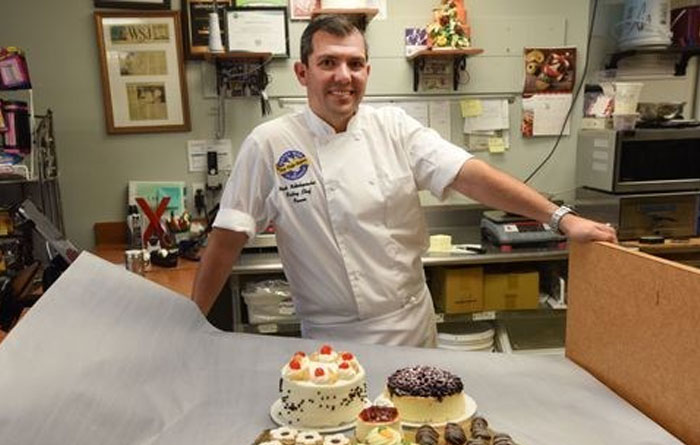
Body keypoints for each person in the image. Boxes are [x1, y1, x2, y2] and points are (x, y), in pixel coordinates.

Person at [192, 15, 617, 348]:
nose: (343, 75)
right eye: (328, 63)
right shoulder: (270, 143)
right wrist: (189, 325)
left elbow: (469, 176)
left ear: (367, 71)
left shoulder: (394, 127)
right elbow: (226, 240)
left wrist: (561, 218)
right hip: (328, 338)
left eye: (354, 64)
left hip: (409, 327)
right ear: (303, 73)